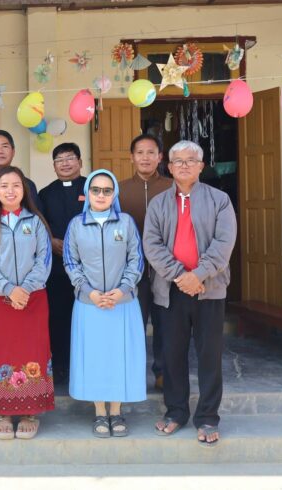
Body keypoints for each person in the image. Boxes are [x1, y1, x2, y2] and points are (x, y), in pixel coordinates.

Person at [143, 140, 236, 448]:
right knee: (172, 355)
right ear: (169, 167)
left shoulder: (220, 200)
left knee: (209, 355)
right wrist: (180, 276)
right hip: (171, 291)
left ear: (201, 166)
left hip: (209, 289)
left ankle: (208, 417)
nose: (184, 165)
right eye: (178, 161)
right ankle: (176, 411)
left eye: (190, 160)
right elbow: (152, 245)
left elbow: (224, 243)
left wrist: (198, 275)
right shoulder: (158, 203)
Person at [63, 170, 145, 437]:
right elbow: (70, 262)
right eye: (95, 190)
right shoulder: (76, 224)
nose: (101, 195)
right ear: (87, 193)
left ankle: (116, 411)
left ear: (114, 194)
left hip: (122, 304)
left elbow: (136, 260)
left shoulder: (126, 222)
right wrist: (90, 292)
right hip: (90, 305)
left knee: (119, 358)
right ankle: (100, 412)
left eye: (107, 190)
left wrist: (121, 291)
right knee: (95, 359)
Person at [0, 166, 53, 440]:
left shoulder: (36, 221)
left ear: (24, 190)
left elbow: (44, 259)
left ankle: (30, 411)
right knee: (1, 353)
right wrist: (8, 289)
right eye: (4, 186)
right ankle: (3, 412)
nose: (10, 191)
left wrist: (25, 289)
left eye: (16, 185)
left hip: (33, 299)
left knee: (33, 351)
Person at [119, 134, 174, 391]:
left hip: (165, 268)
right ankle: (132, 373)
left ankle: (162, 372)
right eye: (140, 152)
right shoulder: (119, 190)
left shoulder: (172, 188)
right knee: (133, 322)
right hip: (132, 269)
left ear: (160, 157)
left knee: (165, 322)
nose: (145, 158)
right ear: (132, 157)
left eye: (151, 152)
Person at [37, 142, 86, 383]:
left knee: (84, 318)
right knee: (58, 318)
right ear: (54, 166)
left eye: (70, 158)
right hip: (56, 267)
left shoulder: (92, 187)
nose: (65, 163)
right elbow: (40, 222)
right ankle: (60, 367)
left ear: (80, 162)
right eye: (59, 160)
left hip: (87, 267)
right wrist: (51, 241)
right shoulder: (45, 193)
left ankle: (84, 366)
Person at [0, 129, 39, 206]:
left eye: (5, 146)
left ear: (13, 152)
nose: (0, 151)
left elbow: (34, 212)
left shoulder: (27, 184)